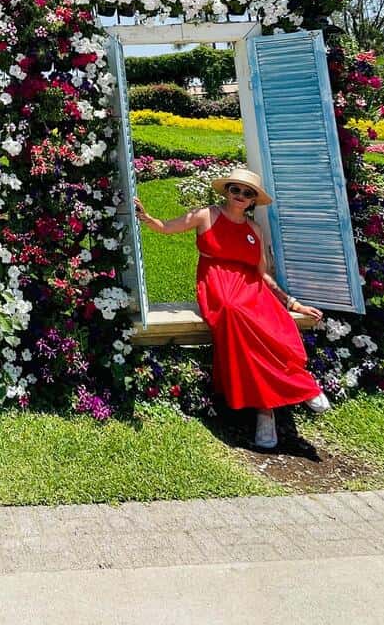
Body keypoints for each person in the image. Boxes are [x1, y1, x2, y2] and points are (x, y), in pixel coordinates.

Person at [134, 167, 329, 450]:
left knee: (271, 327)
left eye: (247, 193)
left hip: (253, 289)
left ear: (252, 200)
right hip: (218, 286)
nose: (240, 195)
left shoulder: (254, 229)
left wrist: (292, 302)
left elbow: (262, 274)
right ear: (226, 191)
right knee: (234, 311)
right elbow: (165, 227)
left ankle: (269, 409)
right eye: (235, 189)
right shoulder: (206, 215)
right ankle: (287, 398)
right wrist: (145, 216)